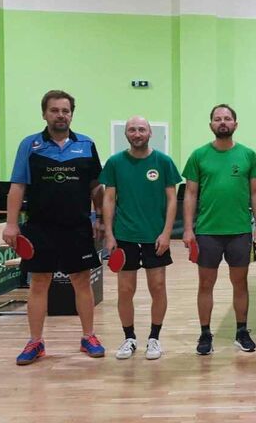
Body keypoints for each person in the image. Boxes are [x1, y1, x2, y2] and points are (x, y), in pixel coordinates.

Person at [5, 90, 106, 365]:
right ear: (44, 113)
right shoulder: (30, 145)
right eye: (55, 110)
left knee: (81, 281)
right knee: (39, 283)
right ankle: (35, 342)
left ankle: (88, 337)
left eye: (65, 111)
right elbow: (17, 186)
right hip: (40, 227)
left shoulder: (86, 144)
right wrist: (11, 224)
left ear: (71, 114)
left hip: (77, 227)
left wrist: (100, 218)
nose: (61, 115)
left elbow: (96, 187)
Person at [182, 104, 256, 355]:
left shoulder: (248, 155)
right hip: (207, 232)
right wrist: (188, 228)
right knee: (205, 284)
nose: (223, 122)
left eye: (227, 118)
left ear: (235, 124)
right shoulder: (198, 155)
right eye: (218, 119)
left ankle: (241, 331)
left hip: (239, 231)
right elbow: (190, 194)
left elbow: (255, 192)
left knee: (240, 283)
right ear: (211, 125)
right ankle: (205, 333)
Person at [100, 116, 182, 360]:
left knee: (158, 287)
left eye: (142, 129)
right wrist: (109, 234)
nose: (137, 134)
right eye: (132, 130)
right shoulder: (115, 163)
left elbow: (172, 199)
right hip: (125, 236)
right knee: (126, 290)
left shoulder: (163, 162)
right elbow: (109, 199)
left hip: (155, 237)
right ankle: (129, 338)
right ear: (126, 134)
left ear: (150, 133)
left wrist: (167, 233)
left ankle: (154, 338)